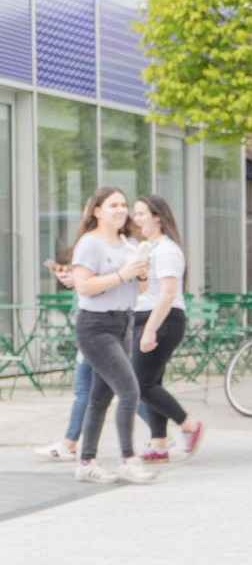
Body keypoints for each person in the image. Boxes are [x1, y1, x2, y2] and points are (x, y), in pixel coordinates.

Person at [69, 187, 156, 484]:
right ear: (97, 211)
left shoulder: (128, 243)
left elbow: (140, 289)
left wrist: (140, 274)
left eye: (123, 205)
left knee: (99, 397)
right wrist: (122, 274)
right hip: (95, 325)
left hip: (123, 322)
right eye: (113, 205)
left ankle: (86, 462)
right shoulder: (89, 244)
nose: (121, 210)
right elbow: (84, 286)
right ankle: (128, 460)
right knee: (129, 390)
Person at [131, 195, 205, 463]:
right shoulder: (148, 248)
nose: (136, 219)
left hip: (162, 319)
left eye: (141, 213)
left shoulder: (166, 250)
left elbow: (168, 293)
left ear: (157, 217)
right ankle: (159, 444)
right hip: (147, 317)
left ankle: (189, 425)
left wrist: (150, 330)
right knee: (151, 382)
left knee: (140, 384)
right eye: (136, 213)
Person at [33, 262, 92, 462]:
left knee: (126, 390)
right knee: (88, 390)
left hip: (97, 330)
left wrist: (77, 280)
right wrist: (72, 277)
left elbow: (98, 287)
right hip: (95, 330)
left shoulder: (96, 249)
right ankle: (69, 444)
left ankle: (164, 432)